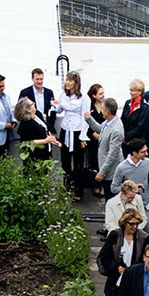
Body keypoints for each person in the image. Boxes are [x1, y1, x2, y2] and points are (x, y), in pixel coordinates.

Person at [98, 209, 148, 296]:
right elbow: (104, 257)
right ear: (124, 223)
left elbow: (144, 259)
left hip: (134, 281)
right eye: (131, 224)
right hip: (116, 282)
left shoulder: (143, 237)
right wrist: (116, 268)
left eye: (137, 224)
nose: (134, 227)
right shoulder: (115, 235)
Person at [57, 71, 93, 200]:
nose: (68, 83)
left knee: (78, 161)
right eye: (67, 80)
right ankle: (66, 187)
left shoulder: (84, 98)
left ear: (76, 83)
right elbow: (59, 109)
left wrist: (83, 137)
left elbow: (85, 118)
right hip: (65, 129)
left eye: (70, 80)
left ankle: (78, 190)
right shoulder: (63, 95)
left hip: (77, 131)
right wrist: (54, 106)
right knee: (65, 160)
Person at [95, 97, 126, 196]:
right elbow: (100, 129)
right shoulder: (108, 122)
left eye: (102, 109)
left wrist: (102, 173)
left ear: (107, 112)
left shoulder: (116, 129)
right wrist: (88, 119)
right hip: (106, 167)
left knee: (111, 197)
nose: (101, 111)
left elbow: (112, 154)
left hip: (112, 171)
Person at [12, 97, 61, 162]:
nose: (34, 103)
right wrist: (45, 141)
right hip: (35, 154)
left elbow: (44, 128)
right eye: (32, 103)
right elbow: (28, 142)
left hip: (45, 151)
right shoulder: (26, 124)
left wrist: (51, 138)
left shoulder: (37, 114)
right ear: (28, 109)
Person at [18, 67, 58, 134]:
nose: (39, 82)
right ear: (32, 79)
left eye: (41, 79)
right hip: (30, 128)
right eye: (37, 79)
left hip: (46, 127)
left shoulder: (49, 92)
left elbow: (52, 111)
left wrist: (50, 126)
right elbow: (21, 112)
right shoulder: (25, 93)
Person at [120, 79, 149, 151]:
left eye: (133, 90)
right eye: (130, 90)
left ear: (140, 92)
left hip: (137, 142)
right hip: (125, 141)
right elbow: (122, 120)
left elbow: (140, 127)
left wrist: (127, 137)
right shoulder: (127, 103)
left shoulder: (145, 108)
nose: (131, 92)